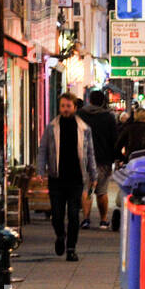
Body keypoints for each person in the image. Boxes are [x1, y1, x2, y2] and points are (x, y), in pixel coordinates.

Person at [37, 93, 97, 261]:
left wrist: (94, 174)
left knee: (72, 215)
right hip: (57, 178)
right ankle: (60, 236)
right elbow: (43, 150)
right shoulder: (51, 128)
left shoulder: (84, 129)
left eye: (68, 106)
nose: (65, 109)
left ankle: (71, 248)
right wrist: (41, 170)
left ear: (75, 108)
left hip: (76, 178)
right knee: (56, 215)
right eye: (63, 106)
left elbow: (90, 152)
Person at [77, 89, 119, 230]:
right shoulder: (108, 117)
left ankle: (86, 219)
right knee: (102, 191)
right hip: (103, 159)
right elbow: (115, 139)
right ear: (102, 102)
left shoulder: (80, 115)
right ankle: (103, 220)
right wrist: (115, 157)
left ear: (90, 100)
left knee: (86, 190)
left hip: (84, 159)